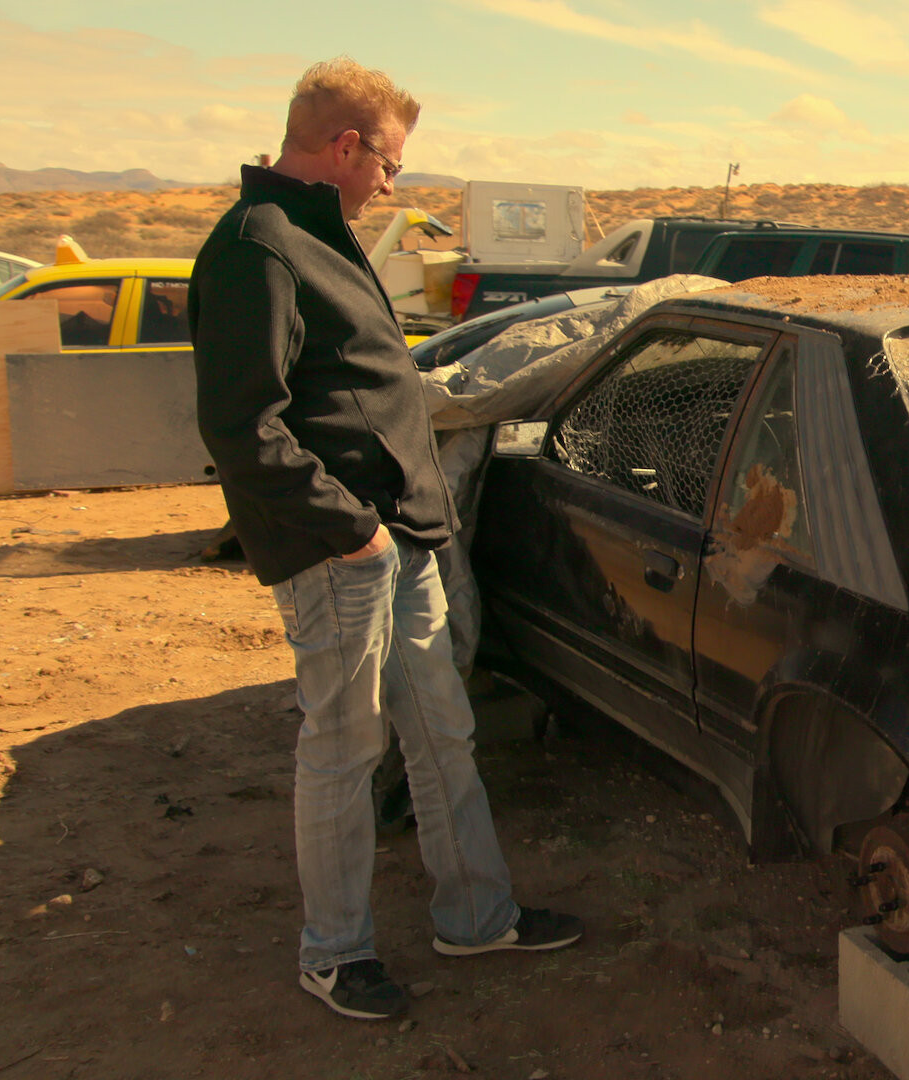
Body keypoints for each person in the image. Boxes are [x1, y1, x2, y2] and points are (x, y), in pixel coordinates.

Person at [190, 57, 584, 1022]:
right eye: (391, 165)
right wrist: (350, 530)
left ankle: (477, 916)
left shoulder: (321, 234)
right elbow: (244, 426)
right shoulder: (259, 246)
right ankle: (335, 953)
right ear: (346, 146)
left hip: (400, 539)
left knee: (441, 730)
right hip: (343, 553)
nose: (392, 184)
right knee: (344, 748)